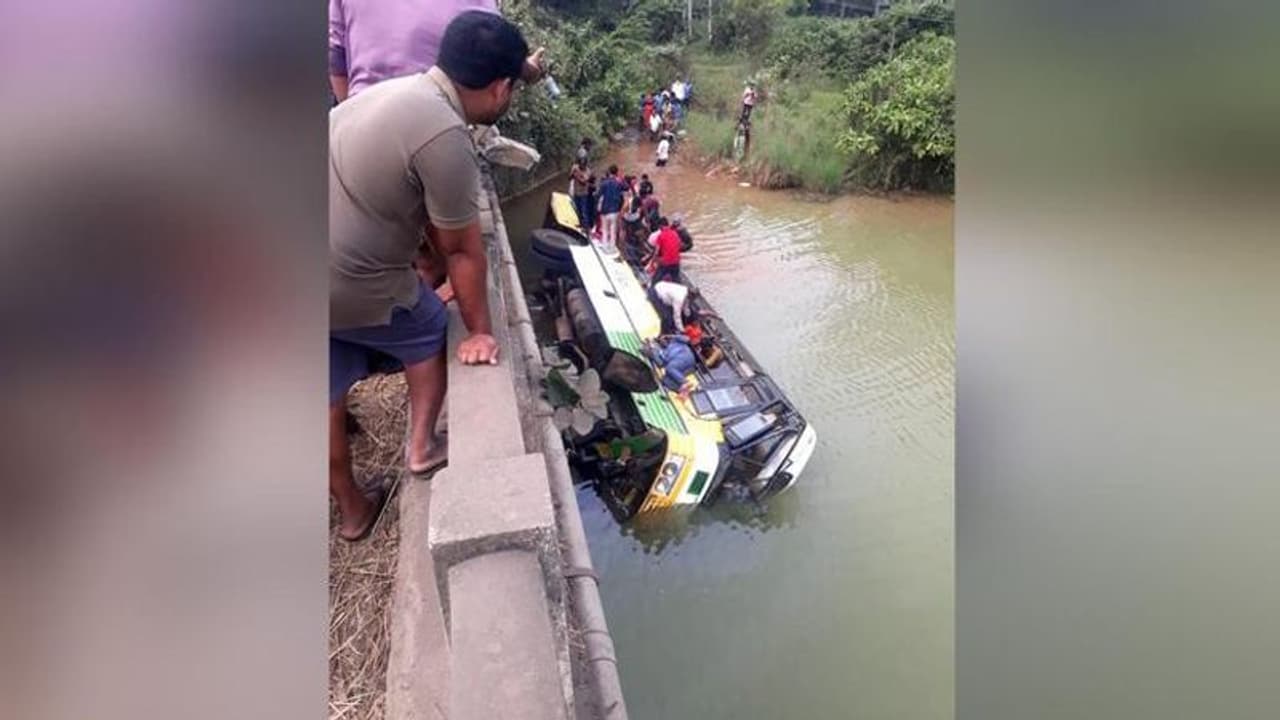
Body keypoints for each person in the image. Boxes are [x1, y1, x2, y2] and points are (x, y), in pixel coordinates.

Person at [328, 11, 526, 541]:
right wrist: (480, 330)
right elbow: (461, 249)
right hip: (344, 279)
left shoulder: (390, 94)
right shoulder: (445, 132)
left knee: (329, 364)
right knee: (429, 323)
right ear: (500, 87)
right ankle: (422, 447)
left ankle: (352, 509)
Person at [596, 164, 626, 249]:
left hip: (605, 210)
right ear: (617, 173)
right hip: (614, 211)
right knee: (613, 230)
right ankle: (612, 247)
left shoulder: (604, 183)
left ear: (609, 172)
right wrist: (621, 179)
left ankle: (605, 246)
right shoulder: (618, 183)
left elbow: (598, 195)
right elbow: (626, 187)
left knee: (605, 229)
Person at [646, 216, 682, 283]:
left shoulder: (661, 236)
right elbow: (679, 246)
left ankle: (652, 289)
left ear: (660, 226)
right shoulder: (675, 233)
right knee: (676, 280)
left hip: (666, 263)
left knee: (655, 281)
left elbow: (656, 253)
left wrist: (651, 264)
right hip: (677, 262)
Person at [570, 161, 591, 227]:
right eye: (581, 165)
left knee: (584, 211)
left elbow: (583, 182)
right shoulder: (575, 167)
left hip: (583, 194)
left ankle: (586, 227)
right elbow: (569, 178)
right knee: (577, 210)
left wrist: (577, 175)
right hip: (576, 193)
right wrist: (572, 173)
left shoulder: (588, 171)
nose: (582, 166)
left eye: (583, 165)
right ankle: (580, 224)